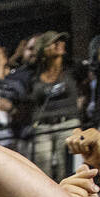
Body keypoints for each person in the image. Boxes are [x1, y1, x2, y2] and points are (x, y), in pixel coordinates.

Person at [27, 31, 83, 179]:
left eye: (61, 41)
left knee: (69, 169)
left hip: (68, 123)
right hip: (43, 127)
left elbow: (88, 87)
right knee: (42, 169)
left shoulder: (74, 68)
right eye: (53, 42)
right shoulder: (32, 75)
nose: (59, 44)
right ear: (43, 50)